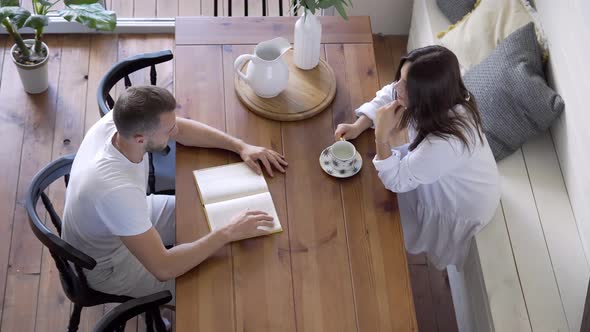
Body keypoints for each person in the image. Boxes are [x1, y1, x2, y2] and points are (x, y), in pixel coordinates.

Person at [62, 86, 288, 302]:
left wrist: (240, 146)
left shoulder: (122, 121)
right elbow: (164, 268)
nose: (176, 131)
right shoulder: (117, 191)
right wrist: (227, 232)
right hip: (107, 262)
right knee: (211, 287)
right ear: (141, 139)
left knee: (199, 214)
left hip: (124, 218)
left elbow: (182, 128)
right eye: (169, 131)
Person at [335, 45, 500, 270]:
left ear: (428, 94)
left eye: (407, 86)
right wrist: (359, 124)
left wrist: (381, 137)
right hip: (438, 169)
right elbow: (389, 94)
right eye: (401, 78)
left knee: (374, 215)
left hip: (460, 201)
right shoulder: (441, 94)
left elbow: (397, 181)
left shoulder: (447, 142)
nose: (398, 88)